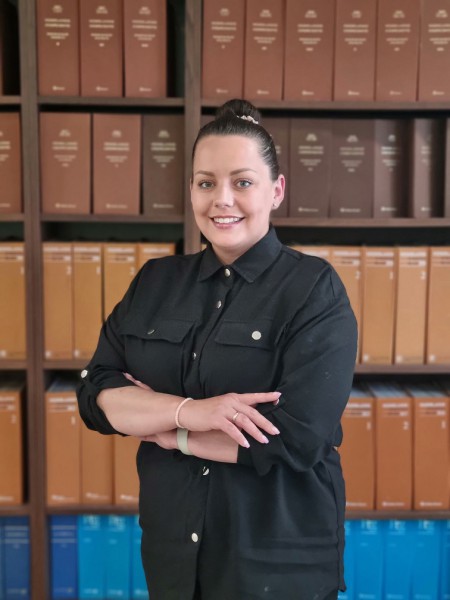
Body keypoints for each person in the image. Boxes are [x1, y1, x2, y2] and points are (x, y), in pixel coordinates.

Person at [77, 99, 358, 600]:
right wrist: (191, 412)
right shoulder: (155, 282)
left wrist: (169, 433)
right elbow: (96, 394)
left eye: (242, 182)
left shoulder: (314, 289)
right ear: (191, 190)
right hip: (173, 552)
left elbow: (297, 437)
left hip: (274, 559)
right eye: (206, 183)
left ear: (276, 190)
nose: (221, 200)